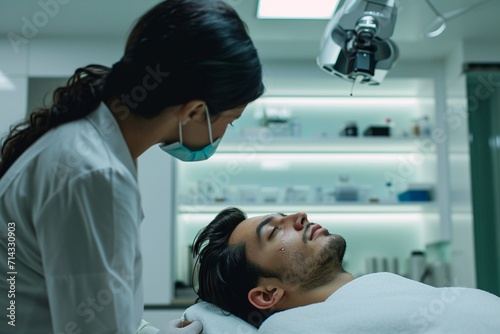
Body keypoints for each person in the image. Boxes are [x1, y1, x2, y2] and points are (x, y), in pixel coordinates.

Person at [0, 0, 264, 332]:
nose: (224, 134)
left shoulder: (85, 148)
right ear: (195, 112)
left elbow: (97, 307)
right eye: (232, 121)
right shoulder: (94, 172)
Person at [192, 207, 500, 332]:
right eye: (274, 232)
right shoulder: (289, 329)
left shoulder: (379, 288)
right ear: (267, 294)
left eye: (284, 215)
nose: (300, 215)